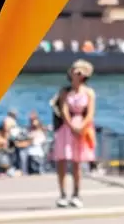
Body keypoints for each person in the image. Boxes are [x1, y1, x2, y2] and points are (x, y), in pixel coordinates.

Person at [50, 59, 97, 208]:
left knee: (77, 163)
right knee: (62, 162)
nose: (75, 74)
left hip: (81, 127)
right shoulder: (65, 91)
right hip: (66, 128)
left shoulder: (89, 92)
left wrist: (81, 127)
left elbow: (90, 113)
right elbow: (63, 110)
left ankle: (76, 194)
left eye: (78, 72)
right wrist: (71, 126)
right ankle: (63, 194)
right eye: (74, 71)